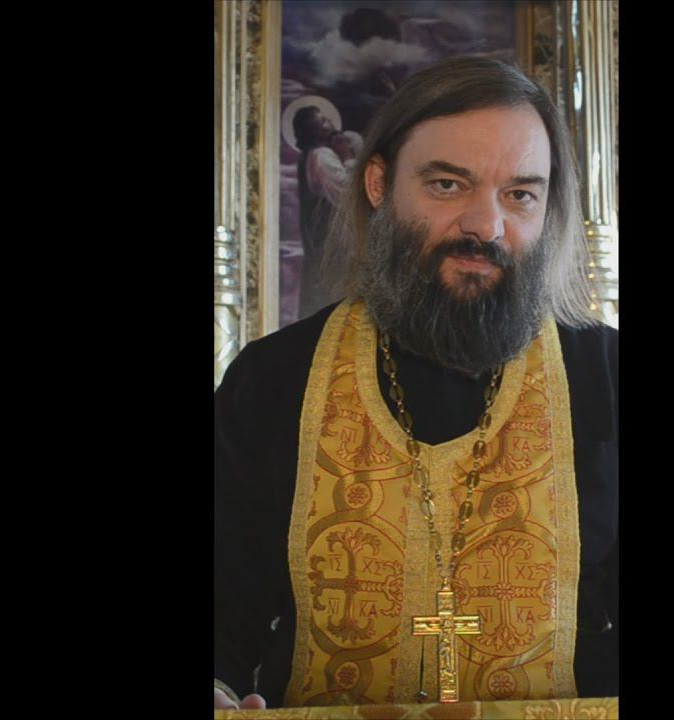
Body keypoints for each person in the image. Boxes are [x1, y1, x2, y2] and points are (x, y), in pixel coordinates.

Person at [214, 56, 618, 711]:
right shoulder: (271, 380)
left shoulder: (608, 377)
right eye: (448, 184)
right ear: (379, 183)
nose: (485, 226)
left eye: (520, 194)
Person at [291, 105, 363, 321]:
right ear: (311, 131)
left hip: (325, 248)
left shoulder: (313, 155)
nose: (329, 123)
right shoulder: (321, 156)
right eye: (322, 121)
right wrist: (348, 157)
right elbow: (347, 192)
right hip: (329, 247)